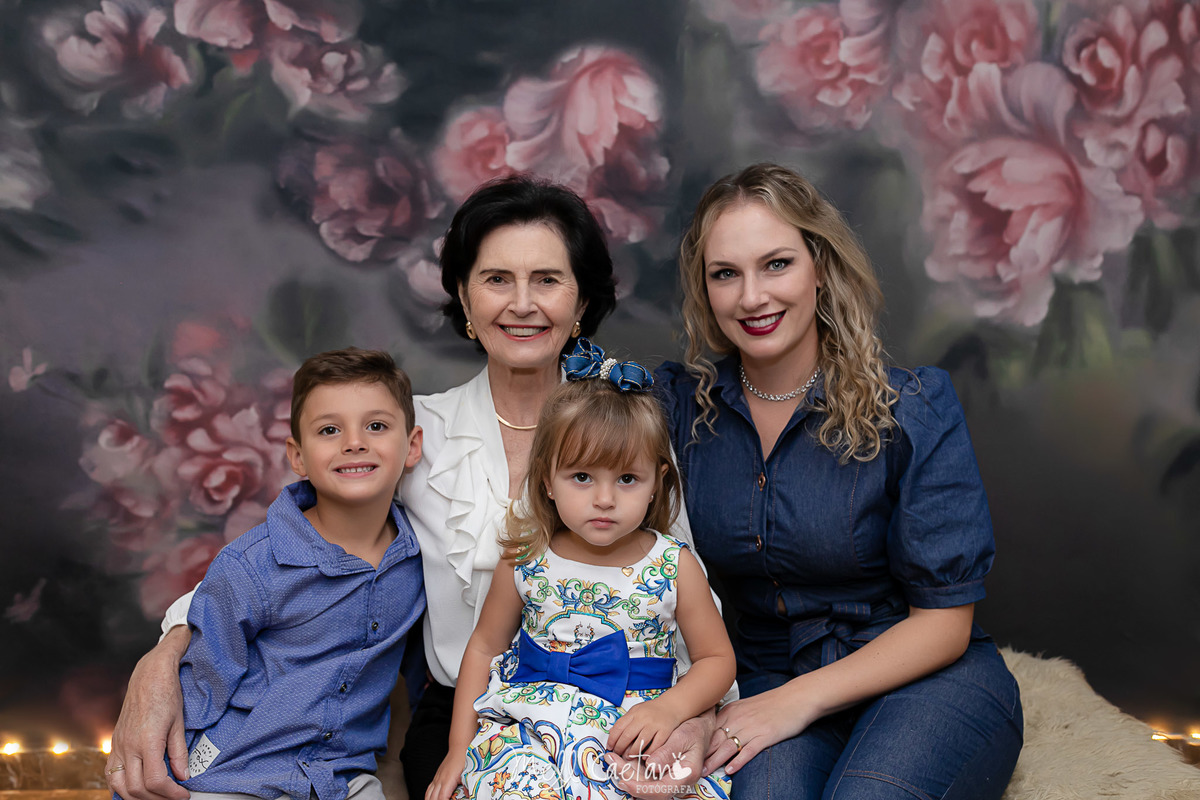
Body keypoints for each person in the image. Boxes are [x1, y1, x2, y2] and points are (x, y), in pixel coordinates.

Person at [108, 176, 701, 800]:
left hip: (630, 712)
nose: (522, 304)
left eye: (547, 280)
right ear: (465, 298)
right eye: (497, 279)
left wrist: (698, 714)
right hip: (465, 721)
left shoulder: (624, 429)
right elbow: (286, 550)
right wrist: (164, 656)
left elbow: (682, 581)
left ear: (581, 301)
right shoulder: (414, 432)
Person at [653, 163, 1024, 799]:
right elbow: (571, 430)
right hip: (768, 680)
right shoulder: (683, 410)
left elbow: (944, 624)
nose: (752, 297)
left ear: (819, 267)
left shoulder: (912, 408)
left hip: (925, 678)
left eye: (776, 264)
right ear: (704, 288)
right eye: (726, 274)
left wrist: (796, 702)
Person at [426, 340, 734, 800]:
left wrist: (670, 710)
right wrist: (458, 748)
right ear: (547, 480)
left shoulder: (673, 564)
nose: (604, 499)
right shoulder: (526, 556)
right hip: (529, 728)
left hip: (633, 734)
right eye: (582, 477)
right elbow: (484, 647)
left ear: (657, 482)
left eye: (627, 479)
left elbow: (716, 660)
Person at [162, 348, 426, 800]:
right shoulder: (252, 565)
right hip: (236, 773)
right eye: (329, 430)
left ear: (412, 446)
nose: (354, 443)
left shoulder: (419, 558)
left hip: (341, 778)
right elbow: (200, 686)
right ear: (298, 457)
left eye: (376, 426)